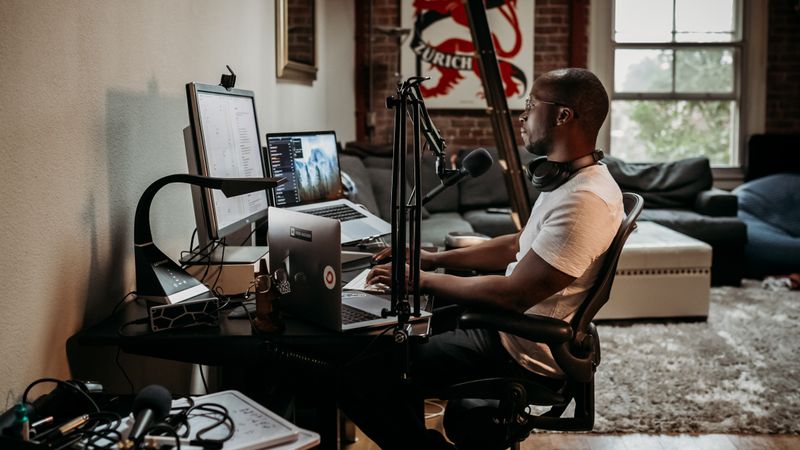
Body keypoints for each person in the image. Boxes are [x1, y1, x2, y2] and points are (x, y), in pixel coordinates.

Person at [338, 68, 624, 450]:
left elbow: (514, 294)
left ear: (562, 115)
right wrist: (432, 258)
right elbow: (516, 246)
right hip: (506, 328)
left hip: (517, 346)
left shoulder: (584, 200)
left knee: (358, 373)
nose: (521, 116)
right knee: (387, 337)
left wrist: (418, 280)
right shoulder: (569, 180)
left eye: (530, 106)